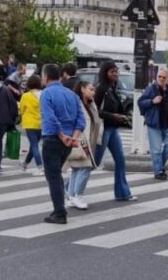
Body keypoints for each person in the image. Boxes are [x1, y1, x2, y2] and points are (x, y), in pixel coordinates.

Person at [39, 64, 86, 225]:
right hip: (68, 142)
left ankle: (59, 212)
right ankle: (59, 209)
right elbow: (81, 120)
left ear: (45, 77)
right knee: (57, 174)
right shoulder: (72, 95)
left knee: (52, 176)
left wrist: (62, 135)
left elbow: (50, 118)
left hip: (53, 138)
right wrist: (74, 137)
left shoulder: (46, 94)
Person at [94, 60, 136, 201]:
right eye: (112, 71)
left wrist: (121, 115)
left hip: (113, 129)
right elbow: (95, 111)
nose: (115, 74)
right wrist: (113, 116)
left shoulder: (112, 88)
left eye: (116, 71)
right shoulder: (101, 89)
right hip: (104, 129)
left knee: (120, 160)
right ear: (105, 73)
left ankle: (123, 193)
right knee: (94, 161)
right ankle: (71, 188)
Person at [66, 80, 103, 210]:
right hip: (80, 139)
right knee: (85, 167)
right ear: (82, 89)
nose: (94, 92)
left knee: (77, 168)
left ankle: (71, 196)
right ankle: (78, 195)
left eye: (93, 89)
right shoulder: (76, 103)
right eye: (90, 89)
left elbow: (97, 122)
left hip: (89, 140)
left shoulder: (91, 104)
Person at [139, 68, 168, 180]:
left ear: (167, 78)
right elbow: (140, 102)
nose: (161, 79)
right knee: (156, 149)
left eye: (164, 77)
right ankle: (158, 171)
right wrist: (152, 101)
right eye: (159, 76)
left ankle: (159, 165)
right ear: (156, 77)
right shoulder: (151, 89)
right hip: (155, 123)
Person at [18, 75, 44, 176]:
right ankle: (25, 164)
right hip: (42, 123)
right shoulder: (44, 94)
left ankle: (40, 166)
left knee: (34, 146)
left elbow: (21, 109)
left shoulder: (26, 96)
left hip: (30, 124)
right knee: (34, 145)